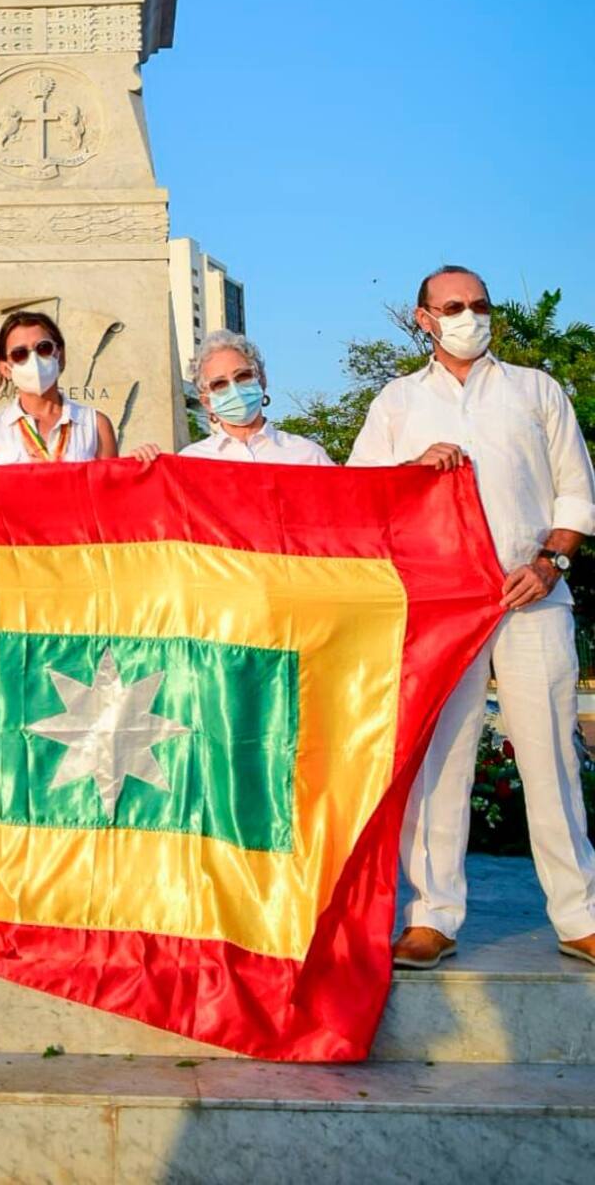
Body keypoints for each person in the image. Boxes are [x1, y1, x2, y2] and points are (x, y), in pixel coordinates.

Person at [350, 265, 595, 970]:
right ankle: (432, 916)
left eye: (479, 305)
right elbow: (366, 497)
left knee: (551, 756)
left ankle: (578, 914)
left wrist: (552, 562)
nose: (469, 316)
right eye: (453, 306)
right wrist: (415, 469)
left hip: (532, 596)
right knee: (441, 762)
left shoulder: (536, 389)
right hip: (439, 607)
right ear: (422, 318)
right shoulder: (397, 403)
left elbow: (575, 492)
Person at [0, 310, 118, 464]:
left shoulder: (95, 424)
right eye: (20, 353)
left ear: (60, 356)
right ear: (5, 369)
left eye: (44, 348)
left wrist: (141, 464)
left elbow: (111, 486)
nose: (34, 360)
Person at [179, 330, 334, 465]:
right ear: (206, 402)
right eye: (220, 384)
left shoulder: (307, 455)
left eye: (243, 376)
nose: (235, 389)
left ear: (262, 379)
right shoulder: (190, 462)